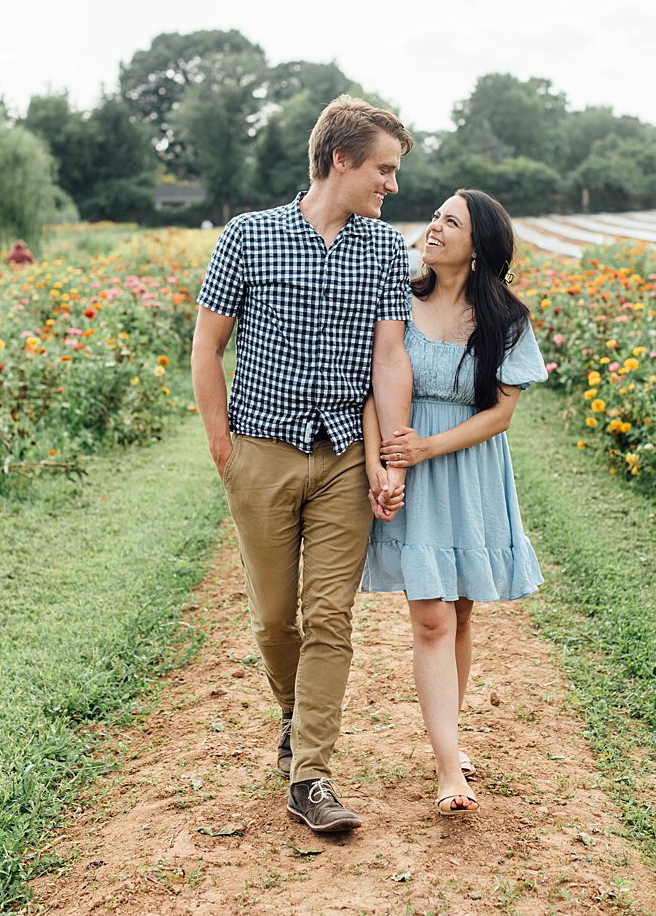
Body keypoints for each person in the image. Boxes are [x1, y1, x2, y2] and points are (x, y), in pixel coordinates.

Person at [191, 94, 415, 834]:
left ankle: (311, 774)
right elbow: (207, 348)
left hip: (344, 459)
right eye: (383, 169)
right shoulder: (248, 238)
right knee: (274, 619)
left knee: (329, 615)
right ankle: (291, 713)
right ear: (340, 159)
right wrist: (224, 447)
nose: (392, 185)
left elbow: (389, 358)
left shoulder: (384, 249)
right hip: (259, 452)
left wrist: (390, 456)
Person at [359, 189, 546, 816]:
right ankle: (448, 770)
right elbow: (370, 392)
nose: (434, 227)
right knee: (432, 619)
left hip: (465, 469)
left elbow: (501, 414)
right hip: (409, 472)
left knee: (460, 613)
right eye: (436, 216)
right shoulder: (397, 300)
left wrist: (428, 446)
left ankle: (450, 739)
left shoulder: (506, 319)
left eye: (451, 222)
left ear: (479, 244)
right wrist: (378, 467)